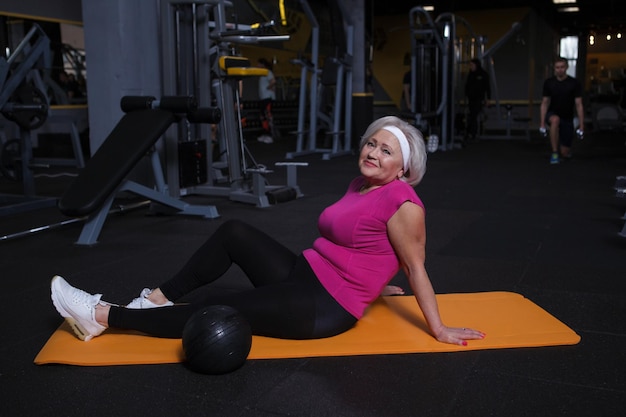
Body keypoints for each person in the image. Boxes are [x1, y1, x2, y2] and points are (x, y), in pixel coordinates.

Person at [50, 115, 485, 346]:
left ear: (403, 167)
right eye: (372, 142)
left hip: (324, 306)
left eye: (385, 150)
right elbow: (368, 243)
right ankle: (154, 301)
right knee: (235, 230)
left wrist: (440, 328)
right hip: (306, 275)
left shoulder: (403, 203)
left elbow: (414, 265)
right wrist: (376, 285)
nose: (372, 152)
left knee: (215, 303)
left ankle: (101, 315)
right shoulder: (362, 184)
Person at [540, 57, 584, 164]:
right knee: (555, 120)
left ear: (566, 67)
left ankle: (563, 150)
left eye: (562, 67)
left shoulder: (574, 83)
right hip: (553, 114)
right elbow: (544, 103)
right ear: (554, 69)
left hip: (567, 117)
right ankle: (554, 152)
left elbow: (579, 104)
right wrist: (542, 124)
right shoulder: (549, 83)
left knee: (564, 152)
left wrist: (582, 126)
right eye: (557, 67)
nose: (560, 70)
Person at [464, 58, 491, 142]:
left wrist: (488, 99)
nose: (470, 67)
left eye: (472, 65)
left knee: (473, 116)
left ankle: (472, 133)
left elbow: (487, 87)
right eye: (470, 65)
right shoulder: (471, 74)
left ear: (476, 65)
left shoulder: (483, 74)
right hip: (471, 99)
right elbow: (467, 86)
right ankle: (471, 133)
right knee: (472, 116)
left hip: (479, 99)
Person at [256, 58, 276, 144]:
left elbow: (273, 81)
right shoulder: (261, 74)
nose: (257, 66)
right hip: (263, 98)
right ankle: (265, 134)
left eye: (258, 64)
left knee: (267, 116)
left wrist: (269, 87)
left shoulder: (267, 72)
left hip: (268, 98)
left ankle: (270, 136)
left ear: (262, 65)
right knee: (262, 116)